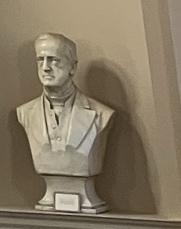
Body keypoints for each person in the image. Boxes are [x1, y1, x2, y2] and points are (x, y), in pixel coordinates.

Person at [14, 31, 113, 213]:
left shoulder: (102, 115)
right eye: (40, 60)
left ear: (72, 67)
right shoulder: (25, 113)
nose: (45, 67)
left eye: (54, 60)